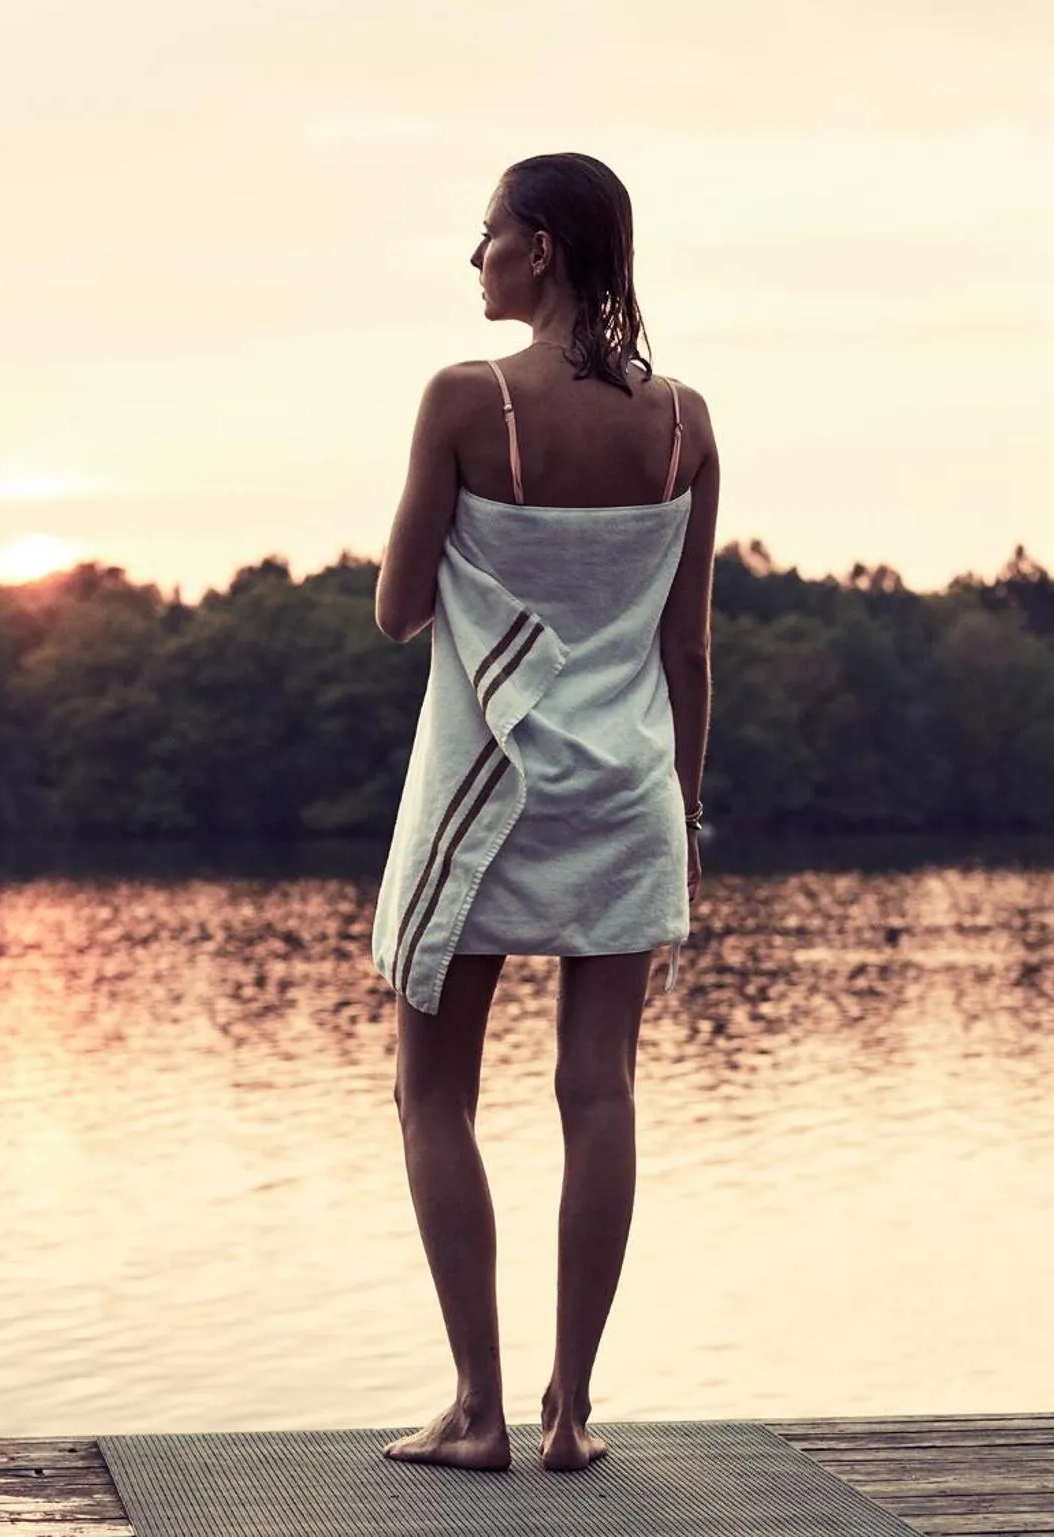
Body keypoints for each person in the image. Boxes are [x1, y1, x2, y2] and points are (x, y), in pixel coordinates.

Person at [369, 151, 718, 1475]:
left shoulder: (466, 402)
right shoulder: (686, 423)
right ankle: (573, 1415)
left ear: (545, 252)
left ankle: (477, 1408)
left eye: (489, 235)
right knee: (599, 1090)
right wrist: (686, 814)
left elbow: (403, 611)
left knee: (433, 1095)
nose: (476, 260)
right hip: (628, 793)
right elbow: (688, 654)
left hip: (487, 791)